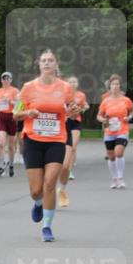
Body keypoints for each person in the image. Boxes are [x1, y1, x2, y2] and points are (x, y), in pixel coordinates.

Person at [15, 49, 77, 242]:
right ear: (39, 64)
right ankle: (38, 203)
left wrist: (73, 111)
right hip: (33, 140)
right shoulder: (28, 87)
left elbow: (73, 111)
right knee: (36, 190)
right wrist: (28, 113)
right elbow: (15, 114)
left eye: (51, 60)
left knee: (50, 183)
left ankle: (47, 227)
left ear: (56, 64)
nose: (47, 63)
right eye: (44, 60)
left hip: (56, 140)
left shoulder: (65, 87)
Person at [96, 75, 133, 188]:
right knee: (111, 156)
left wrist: (129, 117)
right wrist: (102, 119)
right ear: (110, 86)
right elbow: (99, 115)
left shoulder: (126, 100)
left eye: (117, 84)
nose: (115, 86)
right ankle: (114, 179)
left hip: (122, 130)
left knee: (119, 153)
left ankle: (120, 178)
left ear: (120, 86)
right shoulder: (105, 101)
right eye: (113, 84)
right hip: (109, 132)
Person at [57, 75, 89, 206]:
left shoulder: (80, 95)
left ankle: (69, 170)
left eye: (74, 81)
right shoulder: (62, 92)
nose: (72, 83)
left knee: (73, 147)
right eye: (69, 81)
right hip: (61, 124)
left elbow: (84, 106)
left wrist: (82, 108)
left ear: (77, 83)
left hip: (75, 122)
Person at [0, 71, 19, 177]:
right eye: (4, 78)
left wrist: (10, 102)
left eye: (8, 78)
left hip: (12, 117)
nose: (6, 80)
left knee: (11, 146)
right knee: (1, 143)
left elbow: (19, 105)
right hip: (1, 117)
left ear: (11, 80)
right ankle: (1, 165)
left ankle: (11, 164)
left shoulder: (15, 90)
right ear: (1, 80)